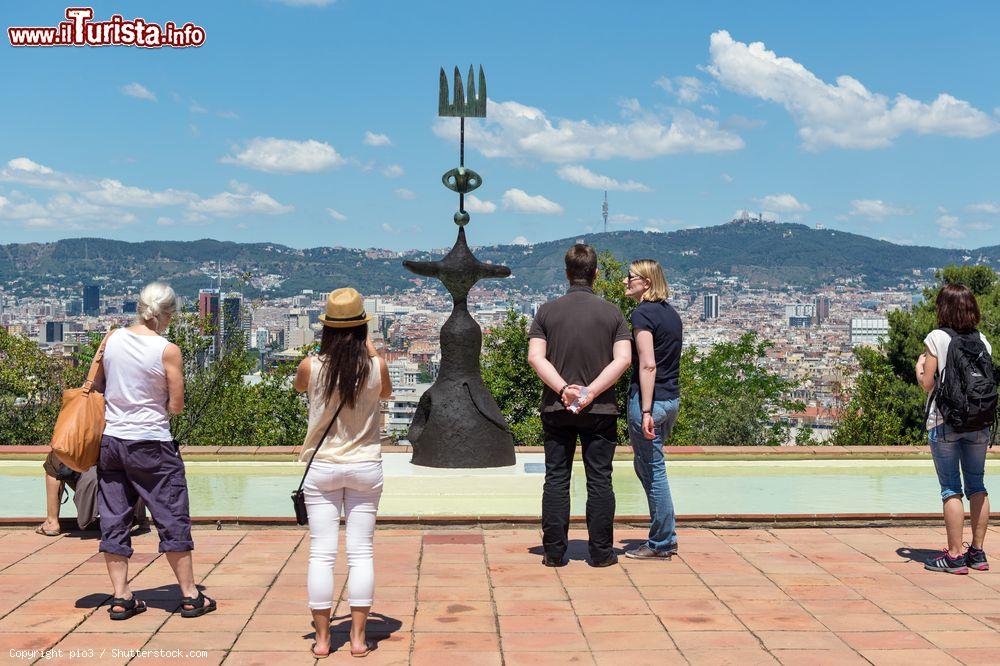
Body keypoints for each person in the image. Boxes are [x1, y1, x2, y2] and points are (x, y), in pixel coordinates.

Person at [95, 282, 215, 620]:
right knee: (171, 516)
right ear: (169, 314)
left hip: (112, 442)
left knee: (114, 518)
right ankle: (191, 596)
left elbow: (101, 385)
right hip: (151, 442)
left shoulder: (112, 338)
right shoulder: (167, 350)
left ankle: (121, 597)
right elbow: (176, 405)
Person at [293, 287, 392, 659]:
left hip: (323, 467)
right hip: (366, 465)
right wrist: (371, 349)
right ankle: (358, 638)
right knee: (361, 552)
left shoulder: (311, 365)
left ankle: (322, 639)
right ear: (362, 327)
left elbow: (300, 386)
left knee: (321, 553)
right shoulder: (376, 367)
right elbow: (385, 393)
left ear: (327, 329)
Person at [528, 244, 632, 568]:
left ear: (567, 273)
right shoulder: (612, 313)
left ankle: (554, 553)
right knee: (600, 480)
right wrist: (590, 393)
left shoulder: (546, 311)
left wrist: (563, 390)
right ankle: (601, 553)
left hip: (557, 408)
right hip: (599, 409)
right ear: (596, 274)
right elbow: (624, 359)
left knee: (556, 478)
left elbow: (535, 357)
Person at [916, 283, 993, 574]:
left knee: (951, 489)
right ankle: (978, 552)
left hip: (945, 422)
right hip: (978, 422)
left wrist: (919, 367)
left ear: (943, 308)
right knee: (977, 485)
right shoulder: (982, 340)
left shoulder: (937, 337)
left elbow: (928, 383)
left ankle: (955, 555)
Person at [623, 259, 682, 560]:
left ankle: (661, 541)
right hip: (671, 400)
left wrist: (645, 410)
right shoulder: (671, 314)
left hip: (651, 402)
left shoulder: (642, 313)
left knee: (653, 471)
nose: (625, 281)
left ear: (646, 282)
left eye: (630, 277)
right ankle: (664, 534)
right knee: (649, 467)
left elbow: (648, 363)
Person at [38, 451, 147, 536]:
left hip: (95, 475)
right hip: (126, 470)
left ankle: (52, 523)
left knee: (55, 457)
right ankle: (130, 517)